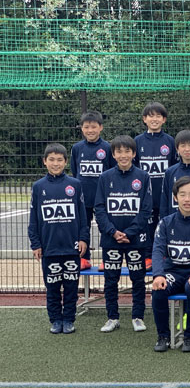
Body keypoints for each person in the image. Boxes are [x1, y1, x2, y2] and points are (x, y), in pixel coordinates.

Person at [28, 143, 89, 334]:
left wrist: (83, 239)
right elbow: (34, 219)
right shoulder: (38, 187)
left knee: (71, 287)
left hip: (71, 248)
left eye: (60, 160)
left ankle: (69, 319)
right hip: (49, 248)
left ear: (65, 162)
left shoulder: (75, 185)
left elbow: (82, 216)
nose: (56, 163)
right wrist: (35, 244)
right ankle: (55, 320)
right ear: (45, 161)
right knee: (52, 287)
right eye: (52, 160)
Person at [94, 135, 152, 333]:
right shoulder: (105, 177)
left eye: (127, 151)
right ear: (113, 154)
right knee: (111, 280)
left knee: (138, 280)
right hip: (111, 240)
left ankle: (138, 316)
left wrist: (129, 232)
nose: (123, 155)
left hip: (136, 240)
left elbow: (146, 209)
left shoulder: (143, 176)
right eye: (119, 151)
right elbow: (99, 208)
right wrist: (113, 232)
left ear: (134, 153)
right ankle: (112, 317)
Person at [150, 176, 190, 352]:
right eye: (183, 194)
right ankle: (163, 336)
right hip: (173, 272)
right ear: (175, 197)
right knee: (158, 290)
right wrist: (158, 275)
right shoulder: (165, 223)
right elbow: (157, 251)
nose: (187, 199)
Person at [135, 102, 177, 270]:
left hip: (165, 193)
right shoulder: (138, 141)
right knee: (147, 226)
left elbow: (174, 167)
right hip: (145, 195)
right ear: (144, 119)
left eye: (158, 116)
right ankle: (147, 256)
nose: (154, 119)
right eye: (150, 116)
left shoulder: (170, 141)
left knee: (166, 224)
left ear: (164, 119)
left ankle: (165, 255)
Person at [69, 110, 112, 269]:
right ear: (82, 128)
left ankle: (107, 258)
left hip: (103, 198)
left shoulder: (107, 147)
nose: (90, 130)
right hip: (83, 198)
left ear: (100, 127)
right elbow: (75, 171)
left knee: (105, 228)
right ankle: (84, 258)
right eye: (86, 127)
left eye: (93, 127)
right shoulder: (77, 148)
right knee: (83, 228)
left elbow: (111, 172)